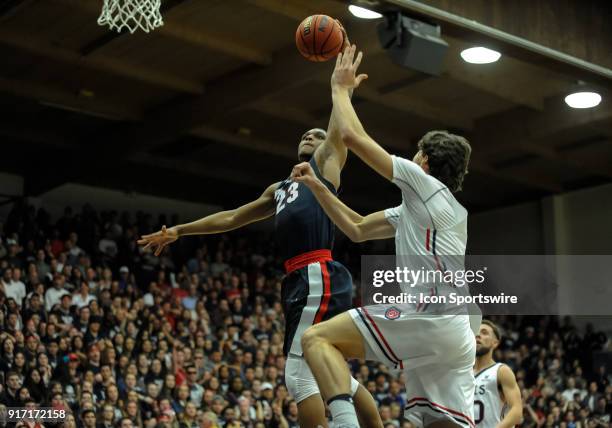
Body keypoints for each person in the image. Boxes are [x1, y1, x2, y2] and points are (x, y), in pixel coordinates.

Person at [137, 37, 382, 428]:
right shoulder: (280, 188)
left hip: (317, 271)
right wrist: (179, 231)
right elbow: (232, 218)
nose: (311, 137)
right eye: (306, 134)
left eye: (317, 135)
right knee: (331, 372)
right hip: (302, 277)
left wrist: (341, 90)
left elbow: (340, 132)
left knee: (299, 372)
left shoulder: (324, 167)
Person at [291, 44, 481, 427]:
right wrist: (319, 187)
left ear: (425, 160)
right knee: (441, 423)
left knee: (316, 340)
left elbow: (352, 136)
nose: (412, 158)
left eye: (416, 153)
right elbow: (358, 229)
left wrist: (340, 90)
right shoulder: (434, 209)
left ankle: (344, 423)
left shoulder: (423, 184)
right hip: (456, 333)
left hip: (431, 315)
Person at [473, 320, 522, 427]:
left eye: (484, 332)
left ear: (495, 343)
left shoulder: (501, 371)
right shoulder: (464, 373)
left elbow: (517, 412)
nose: (478, 335)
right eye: (476, 332)